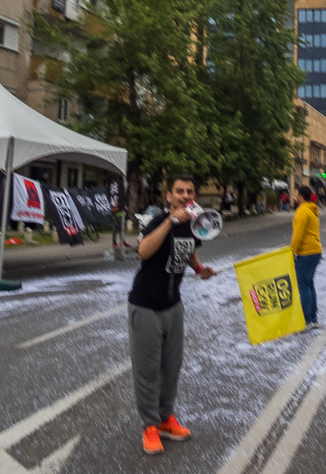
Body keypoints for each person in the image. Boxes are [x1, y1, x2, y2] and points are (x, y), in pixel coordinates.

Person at [128, 174, 216, 456]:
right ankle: (150, 426)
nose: (185, 196)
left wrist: (199, 268)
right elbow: (143, 251)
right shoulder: (157, 220)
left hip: (173, 305)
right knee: (147, 370)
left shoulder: (194, 226)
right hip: (146, 305)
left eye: (190, 192)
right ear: (169, 196)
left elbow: (187, 251)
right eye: (179, 191)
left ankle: (166, 420)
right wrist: (169, 221)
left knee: (171, 367)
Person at [291, 186, 323, 328]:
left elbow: (298, 235)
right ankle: (313, 318)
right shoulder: (312, 209)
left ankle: (307, 320)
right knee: (309, 284)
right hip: (315, 250)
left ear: (300, 196)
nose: (293, 196)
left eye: (295, 194)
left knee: (303, 286)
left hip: (306, 252)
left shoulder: (302, 211)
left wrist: (292, 252)